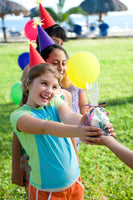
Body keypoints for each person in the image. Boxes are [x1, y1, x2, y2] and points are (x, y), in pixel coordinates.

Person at [10, 63, 106, 199]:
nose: (49, 91)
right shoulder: (19, 116)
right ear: (28, 84)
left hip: (74, 181)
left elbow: (68, 116)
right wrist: (79, 131)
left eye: (54, 87)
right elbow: (45, 127)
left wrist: (91, 121)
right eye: (44, 83)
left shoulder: (54, 102)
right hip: (47, 191)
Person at [41, 44, 88, 149]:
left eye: (64, 63)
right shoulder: (36, 95)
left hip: (67, 145)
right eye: (55, 63)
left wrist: (89, 121)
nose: (61, 68)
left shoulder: (66, 94)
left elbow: (68, 116)